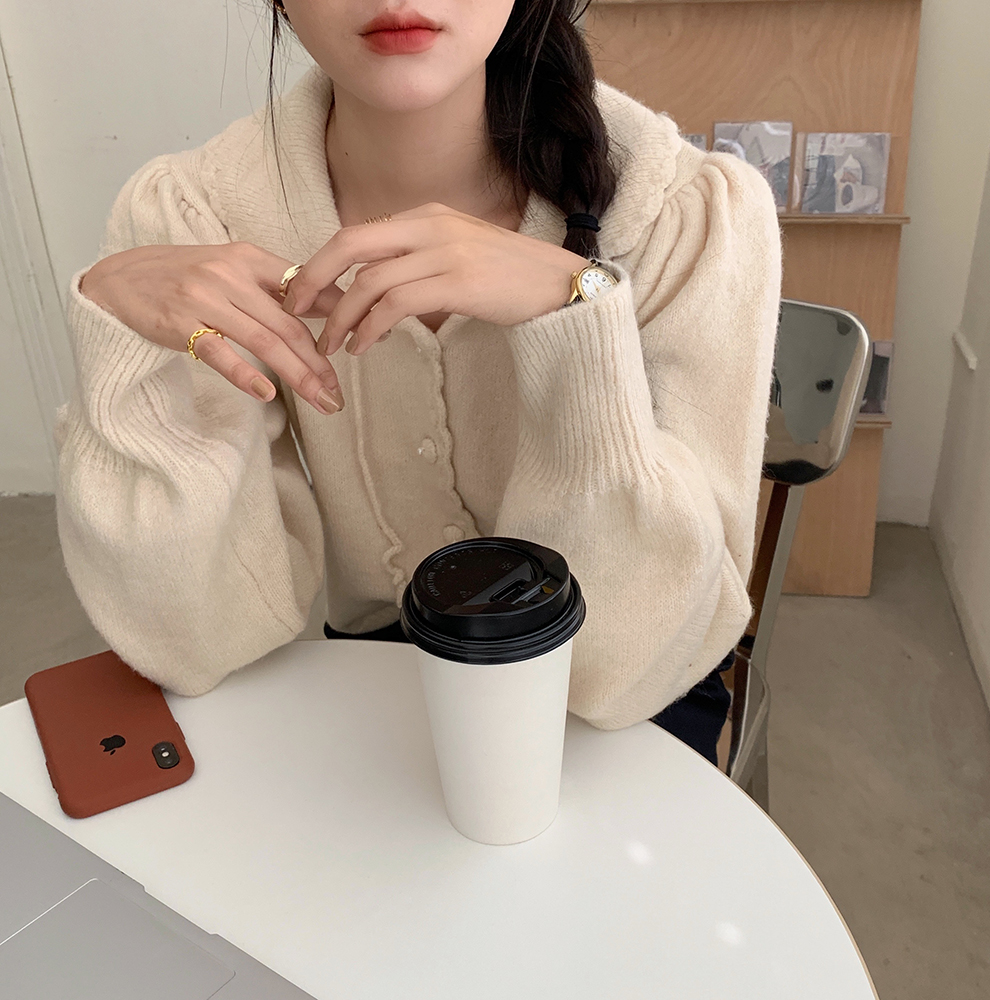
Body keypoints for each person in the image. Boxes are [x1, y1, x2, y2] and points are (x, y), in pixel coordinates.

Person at [56, 0, 781, 763]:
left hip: (632, 705)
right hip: (382, 667)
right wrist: (119, 339)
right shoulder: (194, 216)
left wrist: (575, 314)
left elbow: (628, 671)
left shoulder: (683, 214)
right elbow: (197, 640)